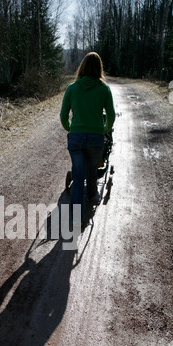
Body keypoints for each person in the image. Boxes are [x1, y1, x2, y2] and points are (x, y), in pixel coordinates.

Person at [60, 51, 115, 225]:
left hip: (76, 137)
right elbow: (111, 116)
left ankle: (77, 217)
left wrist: (72, 128)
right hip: (95, 138)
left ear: (82, 66)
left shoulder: (72, 88)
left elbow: (63, 116)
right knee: (92, 168)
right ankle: (92, 195)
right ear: (99, 68)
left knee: (78, 174)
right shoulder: (104, 89)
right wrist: (104, 130)